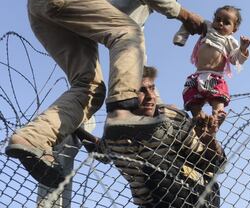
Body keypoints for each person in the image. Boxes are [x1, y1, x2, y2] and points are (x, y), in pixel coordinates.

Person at [5, 0, 204, 188]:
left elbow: (136, 58)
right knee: (128, 33)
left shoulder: (138, 15)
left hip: (50, 11)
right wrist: (186, 15)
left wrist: (154, 103)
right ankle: (121, 112)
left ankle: (33, 139)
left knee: (90, 87)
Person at [79, 66, 225, 207]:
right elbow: (101, 152)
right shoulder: (116, 133)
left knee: (156, 167)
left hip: (198, 193)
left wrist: (208, 137)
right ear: (125, 95)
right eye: (141, 91)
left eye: (152, 88)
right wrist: (75, 128)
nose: (150, 97)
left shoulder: (172, 118)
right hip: (153, 202)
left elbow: (209, 164)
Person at [175, 5, 250, 124]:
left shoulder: (229, 40)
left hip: (214, 76)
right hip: (197, 75)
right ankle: (199, 118)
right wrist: (182, 36)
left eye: (226, 23)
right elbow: (192, 20)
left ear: (234, 30)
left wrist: (243, 49)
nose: (220, 23)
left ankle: (218, 114)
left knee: (217, 97)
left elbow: (235, 59)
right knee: (191, 96)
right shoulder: (208, 28)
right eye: (218, 19)